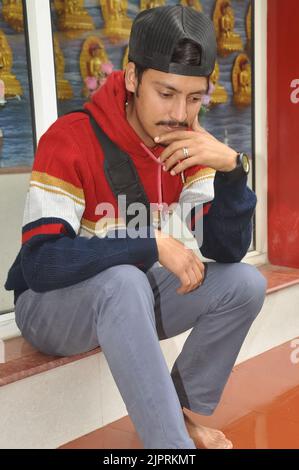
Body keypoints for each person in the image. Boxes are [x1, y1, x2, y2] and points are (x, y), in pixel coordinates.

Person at [5, 5, 266, 449]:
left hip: (128, 297)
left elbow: (227, 250)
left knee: (245, 284)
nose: (180, 113)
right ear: (131, 78)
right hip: (48, 306)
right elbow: (41, 264)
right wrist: (148, 242)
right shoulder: (70, 138)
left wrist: (230, 170)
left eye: (194, 97)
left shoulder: (185, 144)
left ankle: (176, 414)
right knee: (126, 280)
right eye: (166, 93)